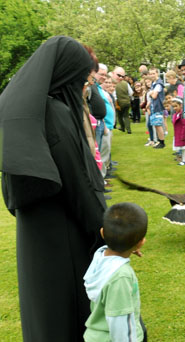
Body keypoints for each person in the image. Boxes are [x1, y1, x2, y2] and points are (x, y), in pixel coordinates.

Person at [0, 36, 107, 342]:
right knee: (65, 313)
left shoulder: (28, 112)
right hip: (63, 236)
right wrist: (107, 228)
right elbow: (79, 185)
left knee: (43, 312)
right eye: (80, 79)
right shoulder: (55, 114)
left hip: (36, 234)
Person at [84, 202, 148, 342]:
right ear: (141, 242)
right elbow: (119, 322)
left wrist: (130, 247)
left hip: (95, 336)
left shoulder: (100, 257)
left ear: (102, 233)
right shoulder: (121, 277)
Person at [148, 67, 166, 149]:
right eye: (150, 74)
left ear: (157, 73)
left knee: (158, 125)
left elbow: (154, 96)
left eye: (153, 73)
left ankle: (162, 142)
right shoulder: (153, 83)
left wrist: (150, 93)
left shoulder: (158, 84)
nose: (152, 75)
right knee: (156, 125)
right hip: (153, 107)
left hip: (158, 107)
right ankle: (159, 141)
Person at [172, 97, 185, 165]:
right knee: (182, 148)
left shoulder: (182, 114)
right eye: (173, 106)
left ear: (181, 105)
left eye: (176, 106)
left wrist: (183, 135)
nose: (175, 108)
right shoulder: (175, 114)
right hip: (178, 133)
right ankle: (183, 160)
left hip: (183, 134)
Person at [112, 66, 133, 133]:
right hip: (127, 102)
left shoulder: (115, 84)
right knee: (126, 116)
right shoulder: (126, 83)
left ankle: (122, 127)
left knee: (120, 116)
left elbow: (114, 95)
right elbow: (131, 93)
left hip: (119, 102)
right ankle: (128, 130)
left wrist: (116, 104)